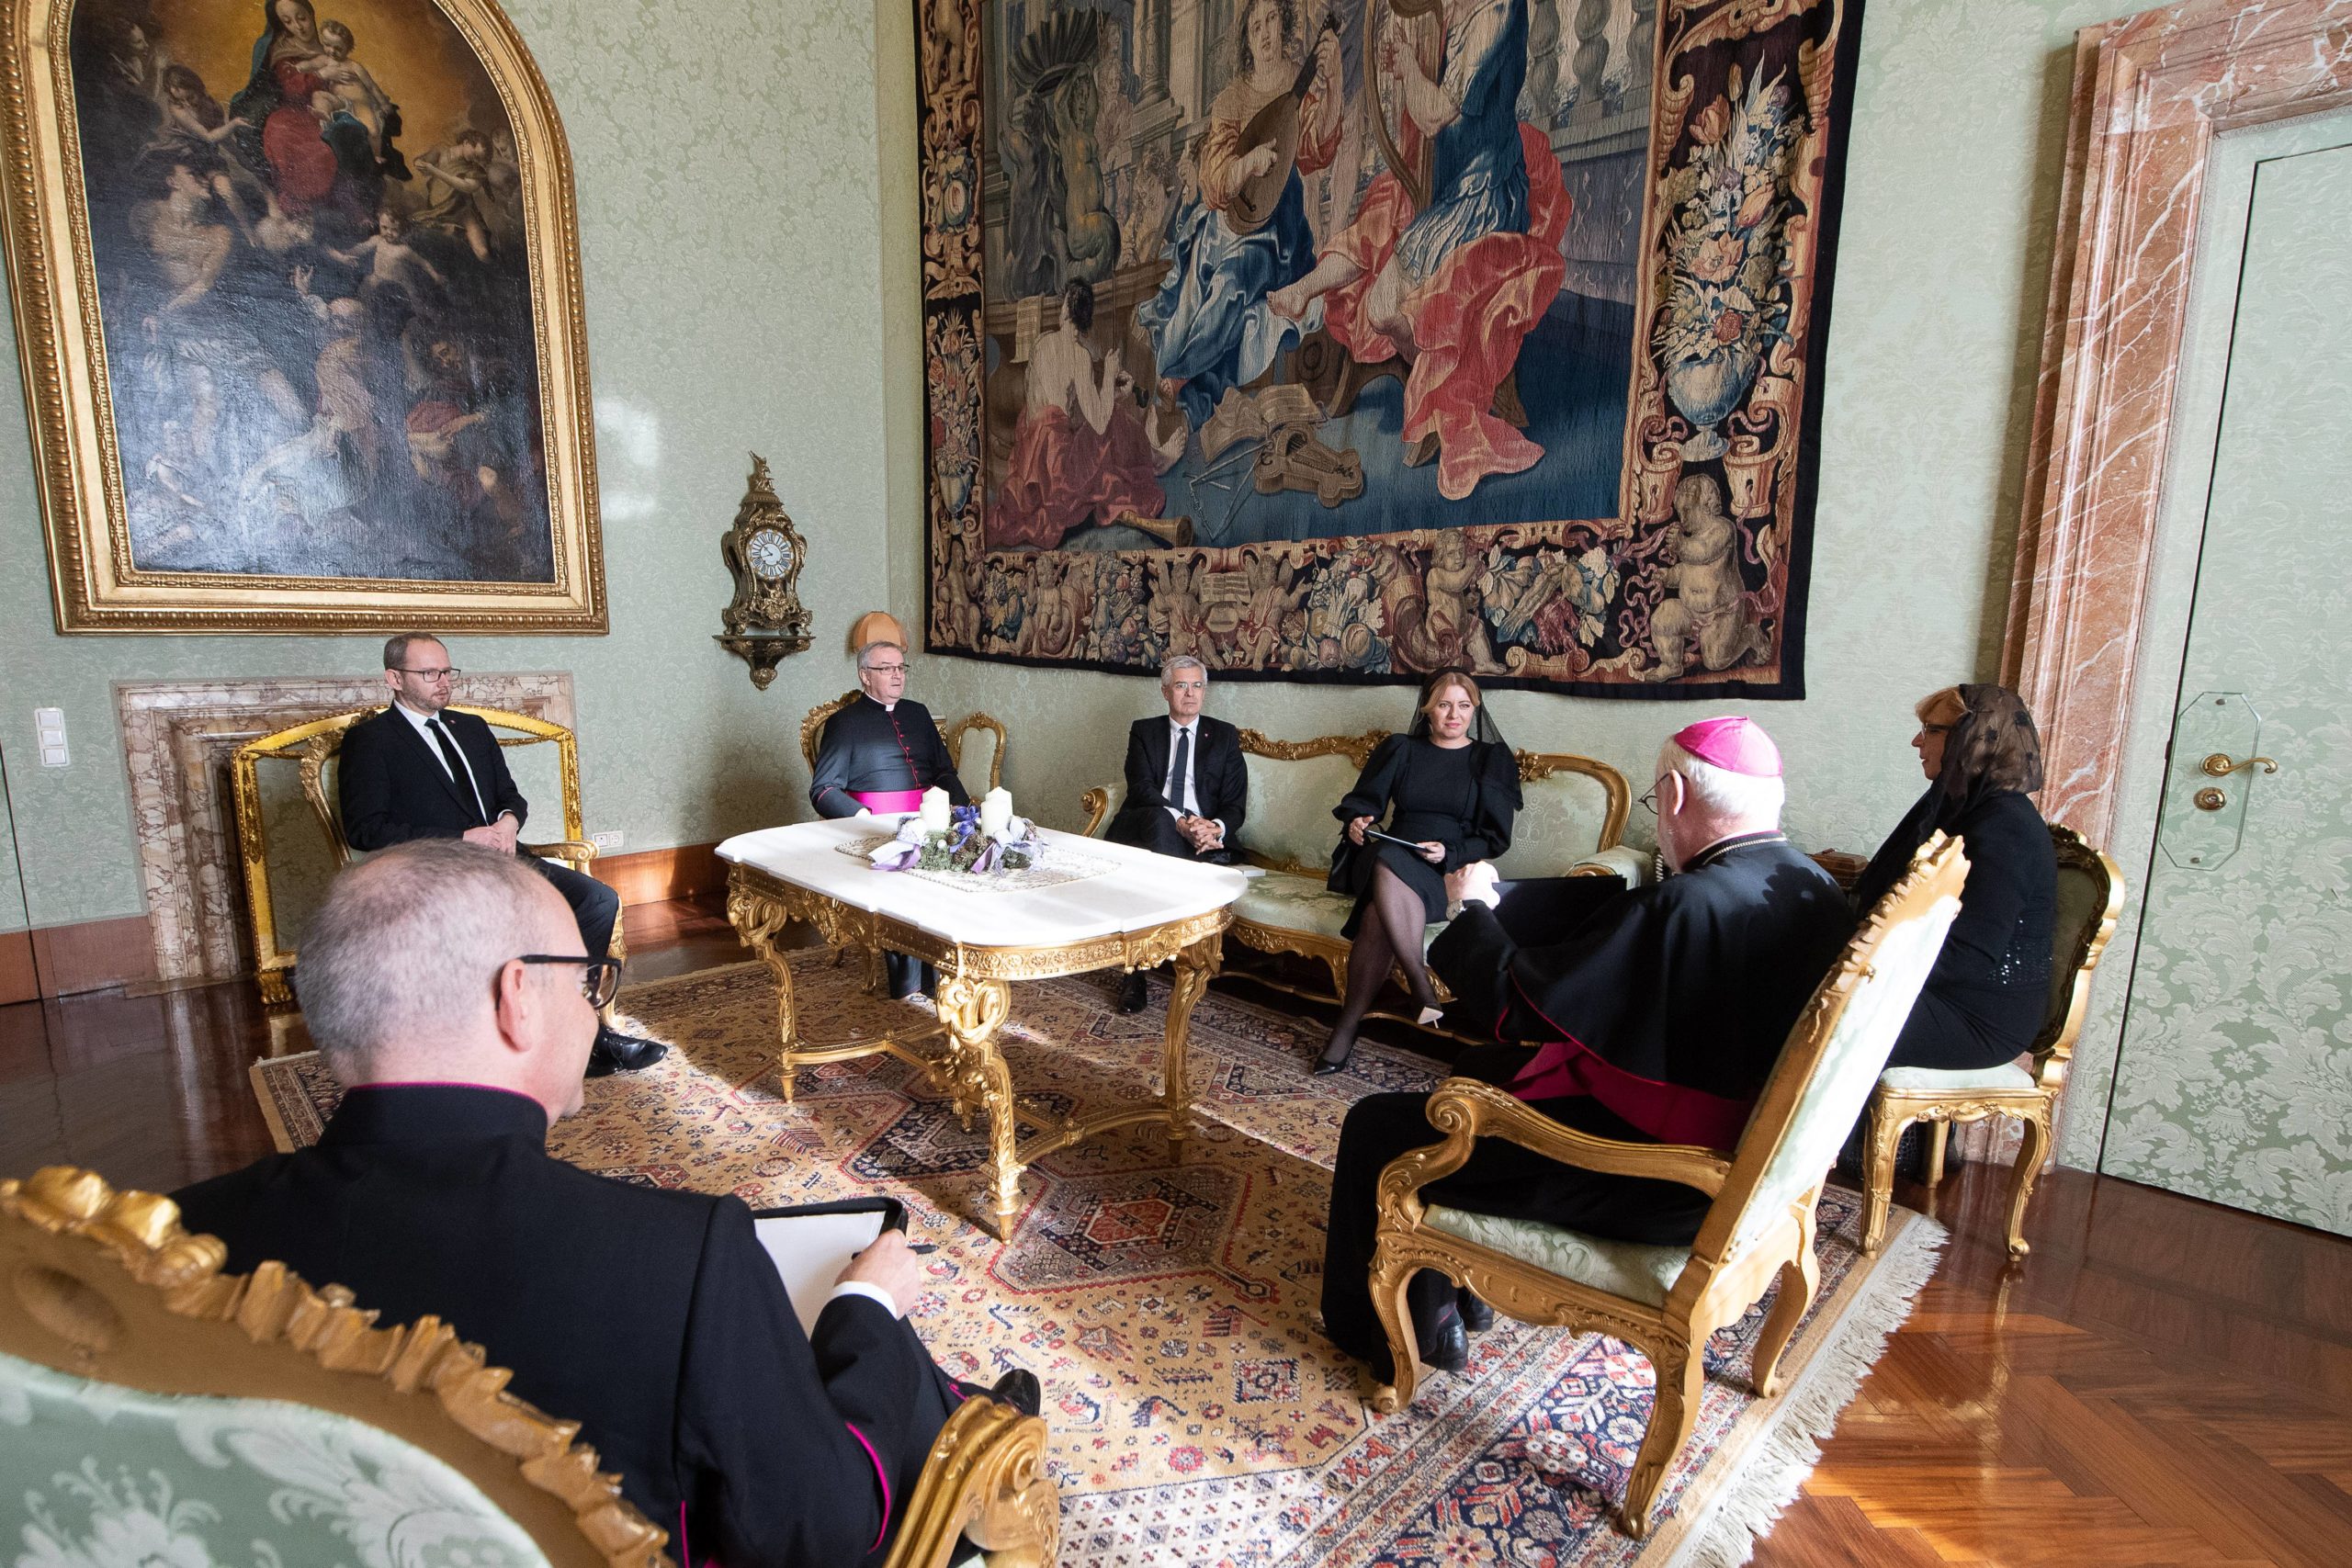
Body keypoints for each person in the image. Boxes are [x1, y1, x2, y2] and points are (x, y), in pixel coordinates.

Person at [173, 841, 1039, 1568]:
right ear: (518, 998)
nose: (596, 1011)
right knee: (880, 1353)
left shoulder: (172, 1237)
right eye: (590, 982)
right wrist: (865, 1309)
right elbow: (825, 1526)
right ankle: (967, 1410)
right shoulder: (683, 1257)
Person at [1318, 717, 1851, 1379]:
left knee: (1377, 1126)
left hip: (1659, 1180)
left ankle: (1375, 1333)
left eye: (1655, 798)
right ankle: (1449, 1301)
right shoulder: (1813, 883)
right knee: (1478, 1069)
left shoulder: (1688, 903)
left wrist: (1471, 909)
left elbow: (1513, 1007)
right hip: (1745, 1156)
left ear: (1676, 794)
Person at [336, 632, 664, 1077]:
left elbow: (510, 796)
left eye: (447, 671)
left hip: (506, 860)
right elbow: (366, 829)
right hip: (435, 872)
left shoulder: (470, 728)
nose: (443, 681)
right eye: (429, 673)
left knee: (597, 899)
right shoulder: (371, 741)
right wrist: (462, 838)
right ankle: (560, 1041)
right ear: (394, 678)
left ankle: (573, 1030)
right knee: (502, 920)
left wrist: (509, 821)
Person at [1136, 0, 1341, 431]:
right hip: (1225, 224)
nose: (1265, 34)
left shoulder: (1298, 84)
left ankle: (1179, 376)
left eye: (1272, 20)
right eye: (1255, 27)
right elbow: (1213, 180)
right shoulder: (1233, 98)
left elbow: (1317, 151)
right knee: (1200, 287)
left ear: (1284, 23)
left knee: (1232, 282)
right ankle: (1182, 386)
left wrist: (1335, 82)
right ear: (1246, 39)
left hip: (1276, 234)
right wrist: (1248, 164)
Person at [1314, 670, 1521, 1074]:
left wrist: (1449, 851)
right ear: (1427, 709)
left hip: (1443, 871)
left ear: (1475, 709)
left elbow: (1495, 839)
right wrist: (1359, 822)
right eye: (1444, 705)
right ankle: (1419, 983)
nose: (1454, 715)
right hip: (1386, 853)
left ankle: (1346, 1027)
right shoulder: (1401, 749)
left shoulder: (1490, 760)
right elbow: (1364, 804)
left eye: (1464, 705)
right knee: (1387, 857)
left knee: (1376, 915)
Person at [1853, 685, 2054, 1070]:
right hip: (1939, 990)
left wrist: (1864, 965)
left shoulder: (2007, 826)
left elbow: (1969, 956)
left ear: (1975, 738)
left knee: (1812, 1003)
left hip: (1977, 1015)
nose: (1917, 742)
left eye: (1931, 730)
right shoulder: (1959, 806)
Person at [809, 636, 969, 1001]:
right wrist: (863, 817)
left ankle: (951, 970)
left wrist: (961, 811)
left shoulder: (918, 713)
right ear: (865, 676)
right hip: (877, 825)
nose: (897, 676)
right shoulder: (844, 723)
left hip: (931, 818)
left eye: (901, 667)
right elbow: (823, 789)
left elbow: (944, 771)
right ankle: (912, 981)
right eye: (886, 669)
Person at [1103, 654, 1249, 1012]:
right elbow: (1140, 788)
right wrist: (1182, 822)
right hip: (1147, 823)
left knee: (1144, 873)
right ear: (1166, 691)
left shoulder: (1224, 736)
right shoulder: (1144, 731)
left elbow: (1235, 803)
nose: (1190, 694)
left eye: (1197, 686)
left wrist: (1214, 828)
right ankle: (1168, 955)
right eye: (1181, 686)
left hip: (1201, 837)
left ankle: (1136, 968)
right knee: (1159, 821)